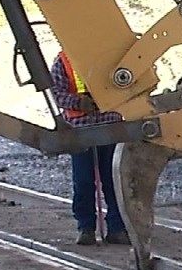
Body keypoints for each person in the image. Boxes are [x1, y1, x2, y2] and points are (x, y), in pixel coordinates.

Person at [49, 50, 130, 246]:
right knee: (84, 181)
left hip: (110, 127)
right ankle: (86, 228)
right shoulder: (63, 61)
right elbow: (57, 94)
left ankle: (117, 228)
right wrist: (77, 102)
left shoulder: (110, 53)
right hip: (81, 130)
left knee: (113, 182)